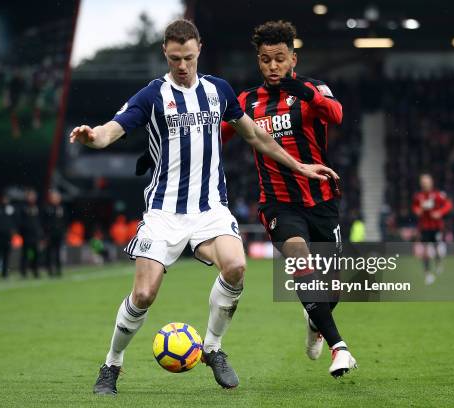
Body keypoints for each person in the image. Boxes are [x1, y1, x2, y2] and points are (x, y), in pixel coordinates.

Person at [69, 19, 338, 396]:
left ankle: (213, 347)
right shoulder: (152, 94)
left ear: (200, 50)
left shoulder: (218, 91)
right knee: (144, 294)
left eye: (189, 58)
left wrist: (298, 165)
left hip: (211, 208)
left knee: (237, 266)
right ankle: (111, 364)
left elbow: (256, 136)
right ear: (166, 52)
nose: (182, 65)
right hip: (164, 212)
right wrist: (93, 136)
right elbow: (114, 128)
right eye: (176, 58)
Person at [219, 20, 357, 377]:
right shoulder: (246, 101)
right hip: (278, 202)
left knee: (332, 289)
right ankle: (338, 348)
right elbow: (216, 136)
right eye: (265, 60)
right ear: (259, 62)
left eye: (280, 59)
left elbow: (337, 114)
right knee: (297, 252)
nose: (273, 67)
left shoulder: (313, 89)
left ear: (293, 59)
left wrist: (304, 91)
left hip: (322, 200)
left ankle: (315, 322)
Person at [412, 173, 452, 285]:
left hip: (436, 227)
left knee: (436, 246)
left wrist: (440, 212)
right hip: (424, 227)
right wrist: (417, 210)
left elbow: (448, 205)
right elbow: (415, 207)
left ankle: (438, 262)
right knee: (425, 250)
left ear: (431, 183)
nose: (425, 184)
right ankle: (427, 273)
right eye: (423, 183)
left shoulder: (437, 195)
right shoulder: (418, 196)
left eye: (427, 182)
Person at [18, 189, 42, 278]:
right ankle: (23, 271)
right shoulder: (23, 207)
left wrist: (40, 233)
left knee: (35, 254)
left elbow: (39, 222)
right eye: (30, 196)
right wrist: (22, 232)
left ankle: (35, 270)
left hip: (35, 235)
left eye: (33, 196)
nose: (32, 198)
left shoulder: (36, 207)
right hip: (26, 235)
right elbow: (20, 221)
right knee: (25, 253)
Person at [42, 189, 66, 277]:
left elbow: (63, 221)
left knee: (58, 252)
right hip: (50, 234)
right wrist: (45, 235)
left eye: (58, 197)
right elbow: (44, 222)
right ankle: (49, 270)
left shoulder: (61, 208)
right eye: (55, 197)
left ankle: (58, 269)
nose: (57, 199)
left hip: (58, 234)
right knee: (49, 252)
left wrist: (63, 232)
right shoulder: (47, 208)